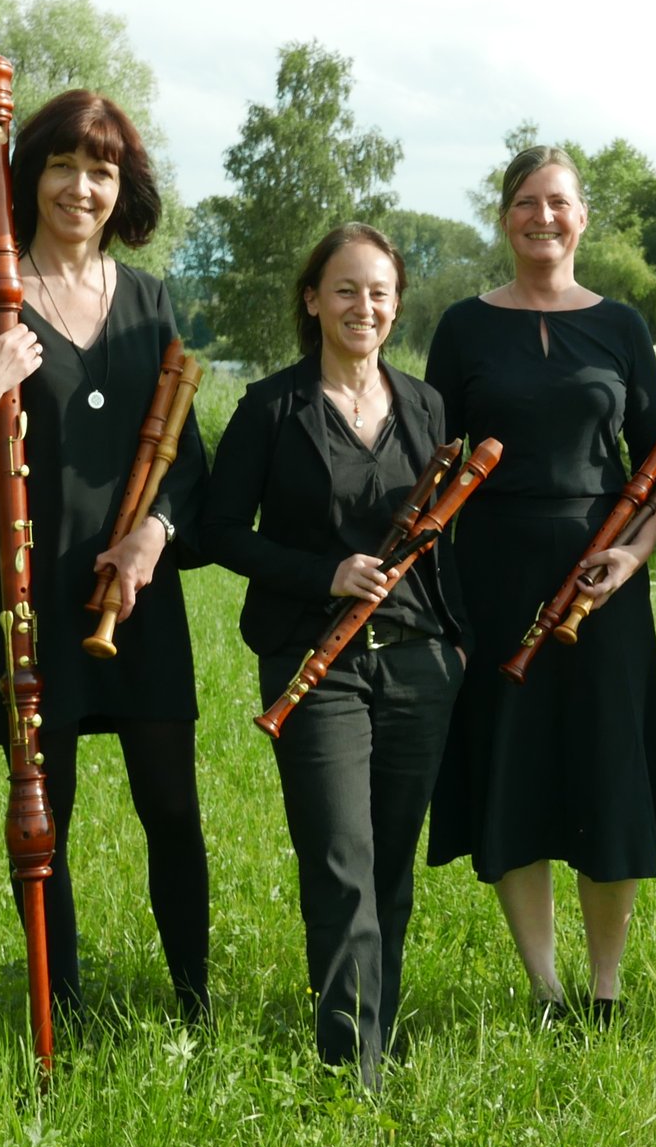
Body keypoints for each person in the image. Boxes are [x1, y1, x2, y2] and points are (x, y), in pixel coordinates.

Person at [0, 89, 209, 1025]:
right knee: (45, 813)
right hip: (30, 590)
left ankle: (193, 1004)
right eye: (63, 166)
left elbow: (188, 461)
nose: (81, 187)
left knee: (172, 808)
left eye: (100, 170)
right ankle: (57, 1008)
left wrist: (154, 536)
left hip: (135, 594)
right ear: (28, 177)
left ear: (122, 188)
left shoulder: (148, 302)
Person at [198, 224, 467, 1090]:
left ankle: (371, 1032)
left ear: (397, 305)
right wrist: (326, 573)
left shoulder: (425, 407)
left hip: (419, 663)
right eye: (346, 289)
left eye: (380, 292)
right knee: (341, 862)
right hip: (315, 664)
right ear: (312, 299)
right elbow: (218, 533)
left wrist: (459, 645)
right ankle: (355, 1076)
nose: (364, 307)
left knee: (390, 867)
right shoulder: (270, 409)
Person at [424, 146, 656, 1025]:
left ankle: (605, 988)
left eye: (560, 203)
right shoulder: (463, 327)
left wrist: (634, 556)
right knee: (516, 767)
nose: (544, 217)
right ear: (506, 217)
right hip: (492, 573)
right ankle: (544, 987)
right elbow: (434, 456)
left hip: (602, 576)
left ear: (583, 218)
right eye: (528, 202)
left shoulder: (622, 326)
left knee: (605, 769)